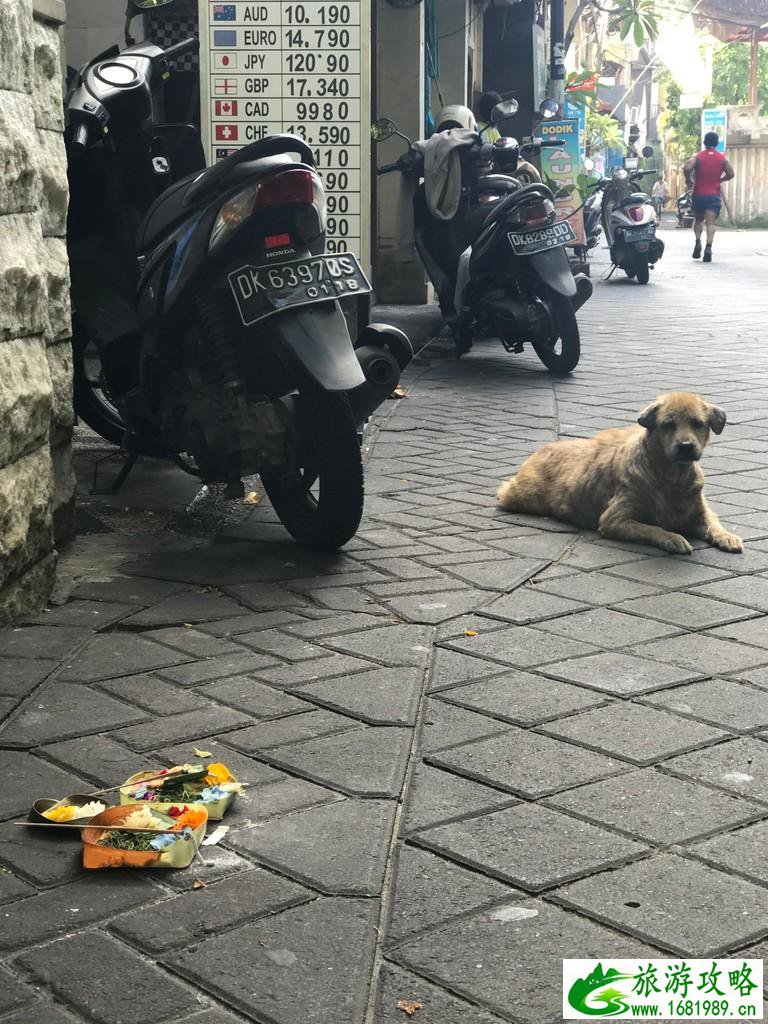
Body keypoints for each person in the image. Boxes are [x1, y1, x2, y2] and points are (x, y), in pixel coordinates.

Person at [684, 132, 734, 262]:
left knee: (698, 220)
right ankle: (708, 247)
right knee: (711, 223)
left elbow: (687, 166)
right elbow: (731, 173)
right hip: (713, 196)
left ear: (704, 142)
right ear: (717, 143)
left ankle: (698, 241)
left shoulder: (698, 157)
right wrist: (721, 179)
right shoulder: (721, 158)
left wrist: (688, 179)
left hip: (699, 195)